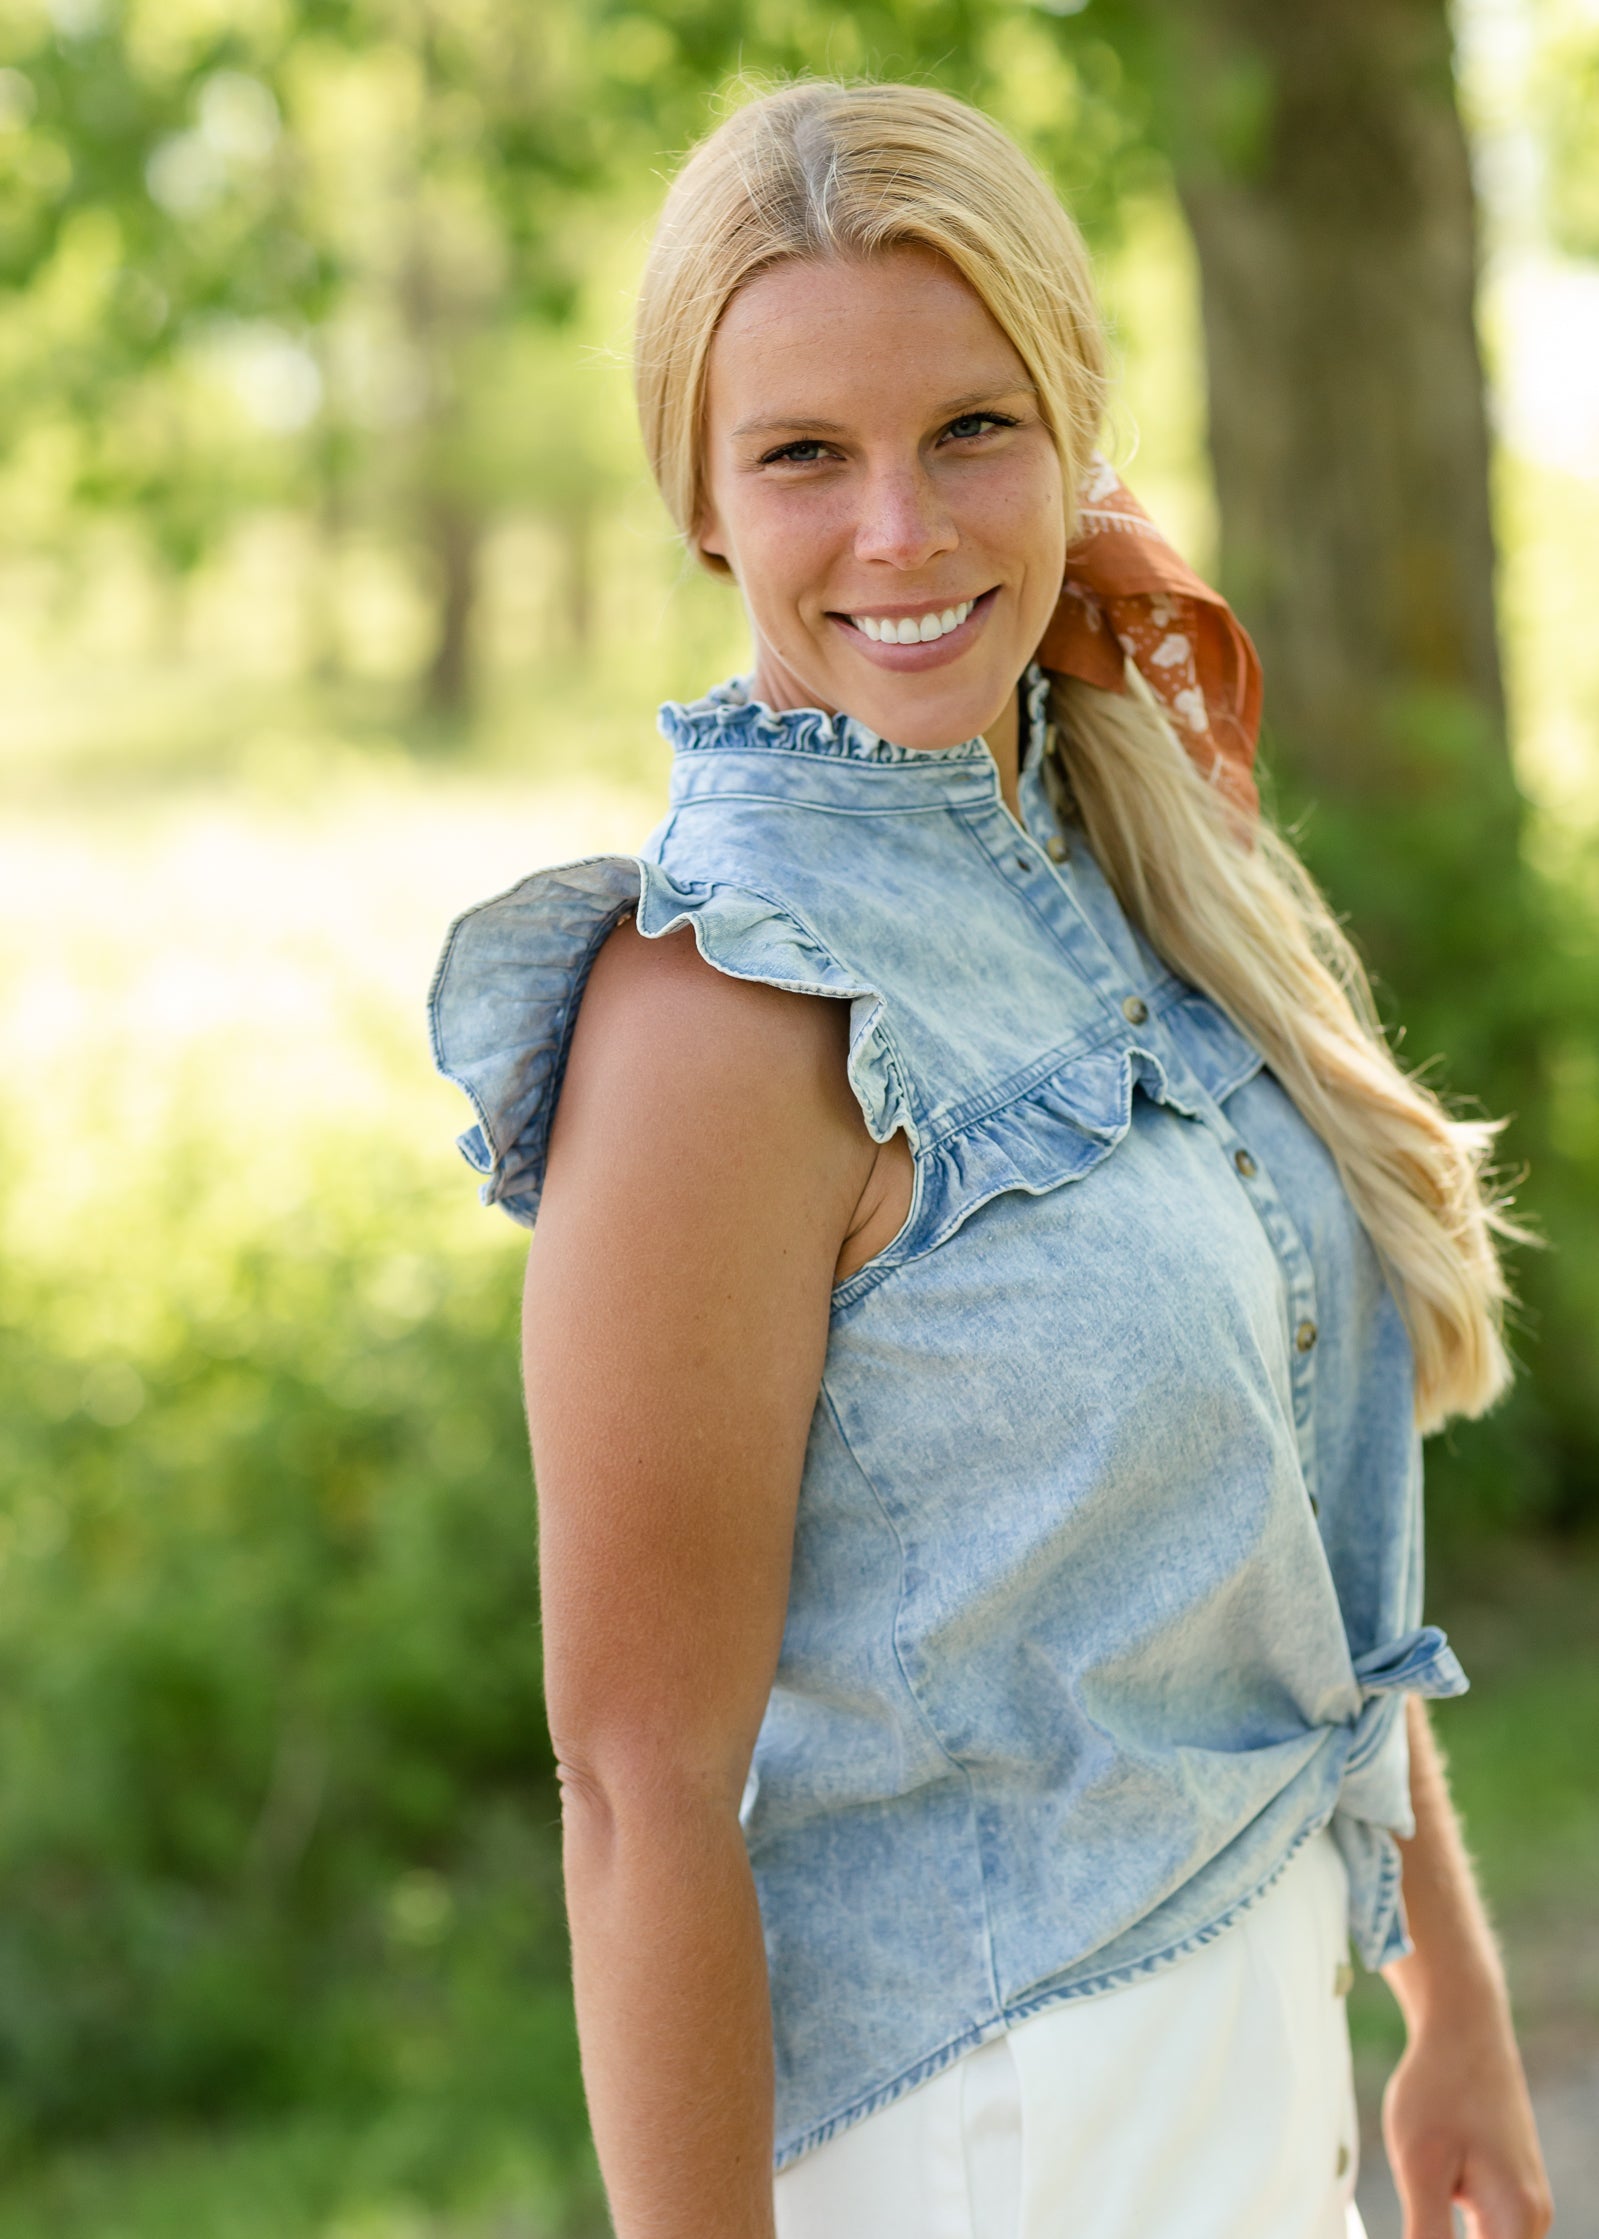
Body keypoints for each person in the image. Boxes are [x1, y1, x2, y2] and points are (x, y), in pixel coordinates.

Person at [429, 79, 1553, 2239]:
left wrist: (1452, 2006)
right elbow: (631, 1789)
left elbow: (1280, 1548)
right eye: (801, 457)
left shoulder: (1110, 861)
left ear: (1068, 427)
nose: (901, 533)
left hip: (1247, 2087)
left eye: (967, 429)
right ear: (695, 499)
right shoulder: (712, 1022)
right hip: (994, 2153)